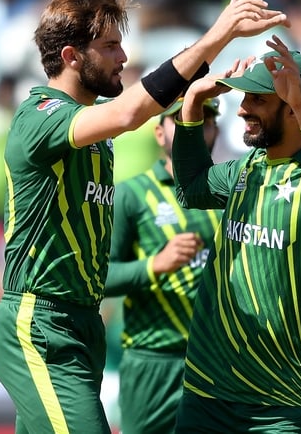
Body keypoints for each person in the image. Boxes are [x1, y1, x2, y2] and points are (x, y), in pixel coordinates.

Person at [0, 0, 288, 433]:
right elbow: (133, 111)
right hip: (40, 324)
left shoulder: (90, 118)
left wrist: (202, 87)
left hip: (82, 325)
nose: (123, 57)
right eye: (109, 46)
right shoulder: (41, 117)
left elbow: (148, 101)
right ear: (71, 56)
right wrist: (219, 33)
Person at [170, 34, 301, 433]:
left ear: (294, 108)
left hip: (282, 400)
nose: (242, 110)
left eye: (258, 100)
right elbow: (190, 188)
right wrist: (191, 105)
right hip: (208, 387)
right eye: (245, 99)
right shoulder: (246, 168)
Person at [105, 97, 223, 434]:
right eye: (183, 119)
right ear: (159, 134)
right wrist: (155, 264)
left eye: (205, 120)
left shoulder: (226, 192)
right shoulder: (131, 195)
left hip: (213, 360)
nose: (196, 128)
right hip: (152, 359)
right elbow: (100, 278)